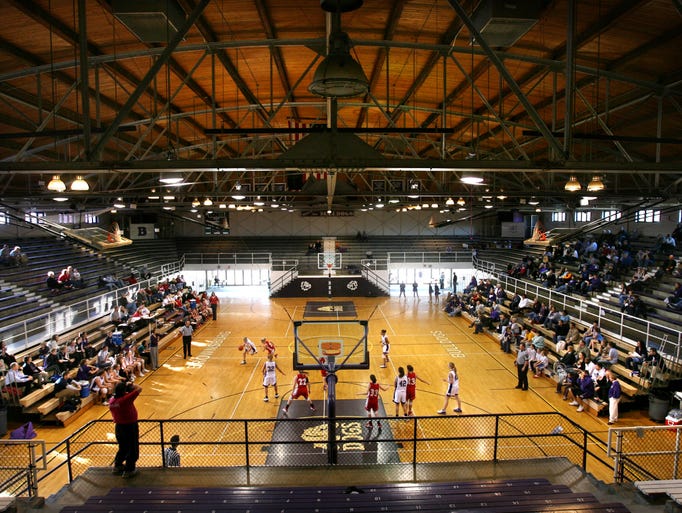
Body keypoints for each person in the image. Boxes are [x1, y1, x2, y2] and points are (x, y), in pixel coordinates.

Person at [109, 381, 142, 478]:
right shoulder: (125, 400)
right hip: (130, 426)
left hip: (119, 427)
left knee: (123, 448)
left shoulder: (112, 401)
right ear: (124, 391)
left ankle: (118, 465)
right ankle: (129, 470)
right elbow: (139, 388)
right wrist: (131, 384)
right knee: (133, 449)